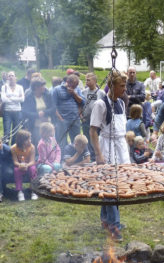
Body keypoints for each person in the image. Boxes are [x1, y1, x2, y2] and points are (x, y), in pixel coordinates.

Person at [89, 70, 130, 242]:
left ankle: (106, 219)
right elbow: (93, 130)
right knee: (110, 186)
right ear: (111, 86)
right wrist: (98, 154)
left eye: (125, 85)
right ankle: (115, 225)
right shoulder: (101, 104)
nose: (124, 89)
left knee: (116, 185)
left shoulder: (120, 102)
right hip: (107, 146)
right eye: (121, 86)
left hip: (120, 146)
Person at [53, 74, 83, 149]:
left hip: (75, 119)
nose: (75, 87)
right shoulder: (57, 89)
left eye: (76, 85)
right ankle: (63, 158)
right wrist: (60, 118)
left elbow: (82, 102)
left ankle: (76, 157)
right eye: (73, 85)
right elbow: (53, 106)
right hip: (62, 119)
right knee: (62, 140)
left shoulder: (77, 89)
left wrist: (74, 93)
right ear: (67, 82)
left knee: (76, 140)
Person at [22, 76, 53, 145]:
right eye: (42, 86)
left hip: (49, 125)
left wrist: (44, 112)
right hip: (35, 126)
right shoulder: (28, 97)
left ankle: (53, 155)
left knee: (52, 144)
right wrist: (38, 115)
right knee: (38, 144)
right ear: (36, 87)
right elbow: (25, 112)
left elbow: (53, 108)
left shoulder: (47, 95)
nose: (44, 87)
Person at [81, 73, 106, 157]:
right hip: (86, 120)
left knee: (97, 138)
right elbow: (79, 105)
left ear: (95, 81)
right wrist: (81, 116)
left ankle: (99, 154)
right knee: (88, 138)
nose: (86, 82)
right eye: (86, 80)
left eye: (88, 80)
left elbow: (105, 106)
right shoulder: (83, 92)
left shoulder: (101, 93)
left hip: (97, 120)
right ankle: (91, 156)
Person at [11, 130, 37, 202]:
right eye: (27, 139)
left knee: (32, 169)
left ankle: (34, 190)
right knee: (16, 171)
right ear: (21, 140)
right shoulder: (13, 148)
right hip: (19, 165)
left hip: (29, 165)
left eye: (30, 139)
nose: (30, 141)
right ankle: (19, 191)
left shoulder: (32, 147)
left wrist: (26, 165)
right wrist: (20, 165)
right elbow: (15, 161)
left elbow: (32, 161)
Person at [0, 71, 25, 145]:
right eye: (9, 76)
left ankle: (13, 148)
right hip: (7, 111)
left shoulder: (20, 87)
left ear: (15, 77)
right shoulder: (4, 87)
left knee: (16, 132)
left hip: (17, 111)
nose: (11, 77)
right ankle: (6, 148)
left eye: (12, 75)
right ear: (7, 78)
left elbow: (22, 99)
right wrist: (16, 98)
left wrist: (10, 97)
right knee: (7, 132)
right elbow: (4, 99)